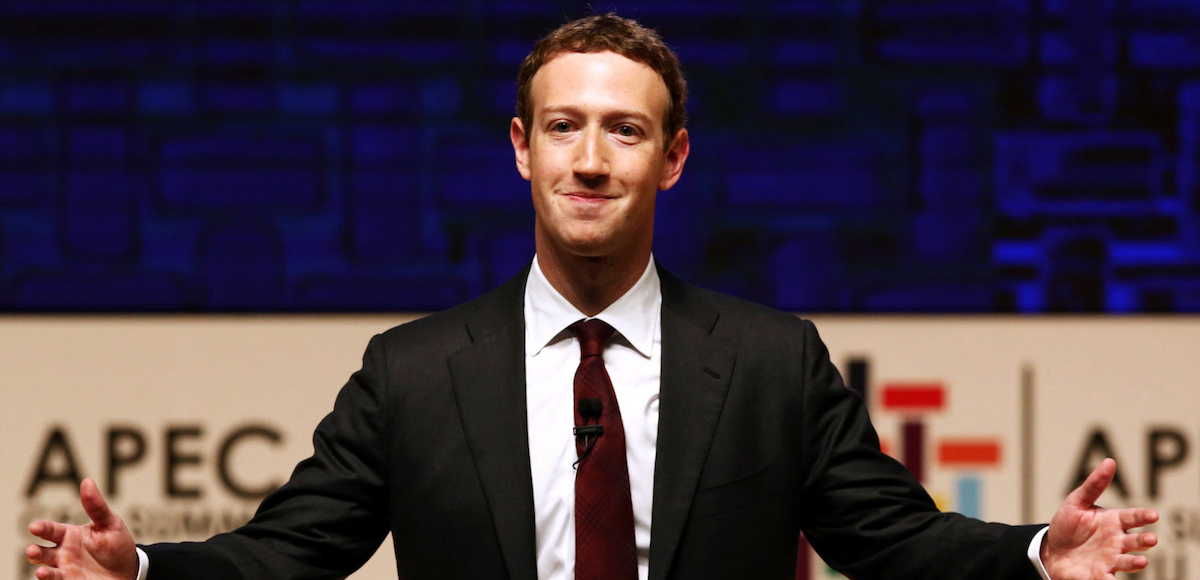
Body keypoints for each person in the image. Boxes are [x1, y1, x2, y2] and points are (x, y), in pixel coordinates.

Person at [27, 13, 1157, 580]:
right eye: (564, 126)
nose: (591, 158)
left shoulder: (771, 360)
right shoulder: (414, 371)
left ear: (672, 160)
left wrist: (1033, 556)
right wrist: (142, 568)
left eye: (626, 129)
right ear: (520, 149)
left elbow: (892, 538)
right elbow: (290, 551)